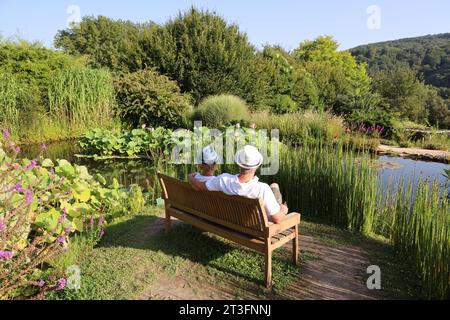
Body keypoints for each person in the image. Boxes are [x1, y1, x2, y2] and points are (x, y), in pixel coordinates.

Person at [188, 145, 288, 224]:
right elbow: (277, 219)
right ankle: (278, 206)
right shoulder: (262, 188)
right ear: (257, 166)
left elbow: (198, 185)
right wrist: (283, 211)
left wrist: (189, 177)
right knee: (274, 187)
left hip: (232, 222)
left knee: (274, 188)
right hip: (256, 227)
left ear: (238, 163)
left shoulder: (223, 180)